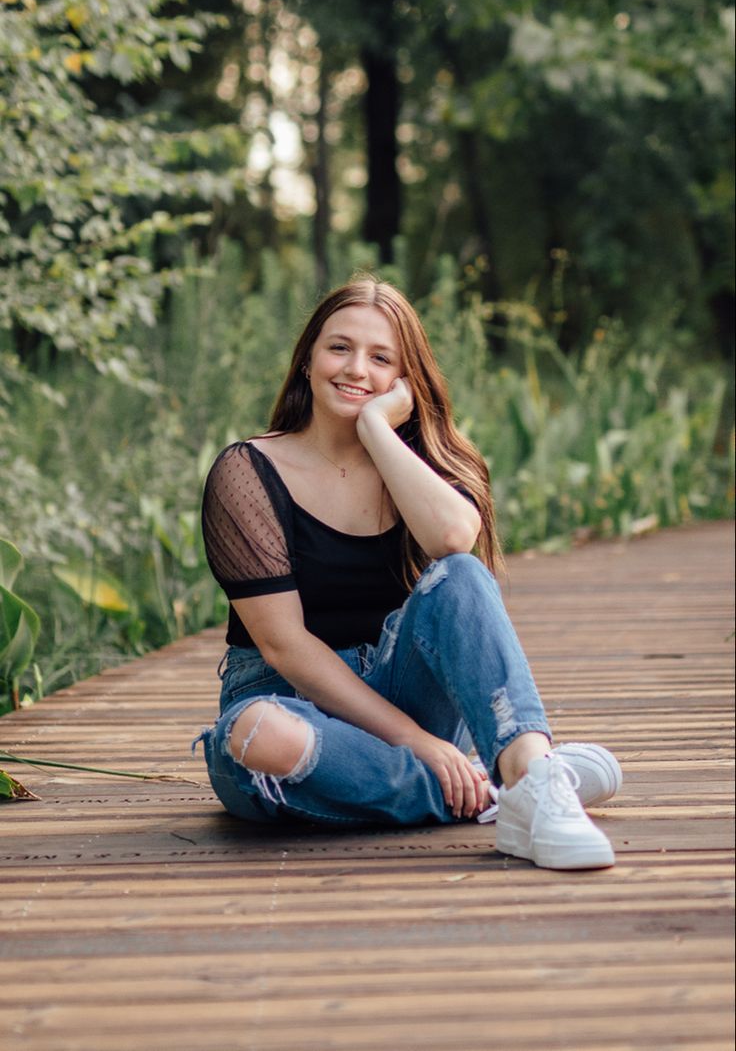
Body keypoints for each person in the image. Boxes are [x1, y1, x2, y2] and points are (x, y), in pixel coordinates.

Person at [194, 277, 621, 870]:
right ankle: (509, 786)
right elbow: (284, 646)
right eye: (339, 348)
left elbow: (453, 541)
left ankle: (527, 775)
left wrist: (375, 429)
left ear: (403, 379)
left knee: (462, 574)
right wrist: (419, 743)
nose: (355, 369)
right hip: (291, 703)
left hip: (403, 687)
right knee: (259, 736)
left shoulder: (421, 463)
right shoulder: (247, 471)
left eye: (380, 358)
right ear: (308, 359)